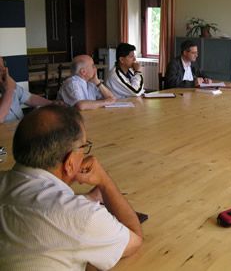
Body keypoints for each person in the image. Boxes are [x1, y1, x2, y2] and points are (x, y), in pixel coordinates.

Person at [0, 105, 143, 270]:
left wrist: (87, 198)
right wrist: (104, 181)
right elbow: (134, 239)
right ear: (69, 162)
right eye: (83, 146)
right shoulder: (82, 217)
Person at [0, 56, 54, 123]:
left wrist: (52, 103)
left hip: (21, 127)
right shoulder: (10, 86)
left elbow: (30, 98)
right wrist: (9, 90)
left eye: (3, 66)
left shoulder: (8, 83)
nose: (3, 70)